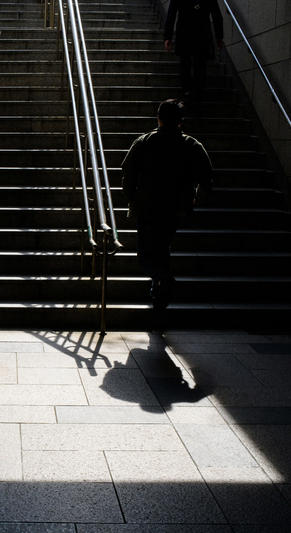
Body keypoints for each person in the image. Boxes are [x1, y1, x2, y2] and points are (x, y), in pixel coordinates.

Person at [121, 99, 213, 311]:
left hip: (147, 205)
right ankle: (159, 293)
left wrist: (131, 197)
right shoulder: (191, 145)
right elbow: (206, 177)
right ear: (181, 122)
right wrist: (198, 197)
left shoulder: (144, 141)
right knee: (162, 246)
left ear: (158, 117)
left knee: (144, 254)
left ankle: (162, 279)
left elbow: (128, 173)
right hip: (176, 207)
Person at [164, 0, 224, 106]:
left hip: (184, 32)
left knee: (184, 65)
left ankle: (187, 92)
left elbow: (171, 13)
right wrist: (219, 36)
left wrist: (168, 36)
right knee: (200, 67)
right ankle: (197, 96)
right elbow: (216, 14)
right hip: (202, 33)